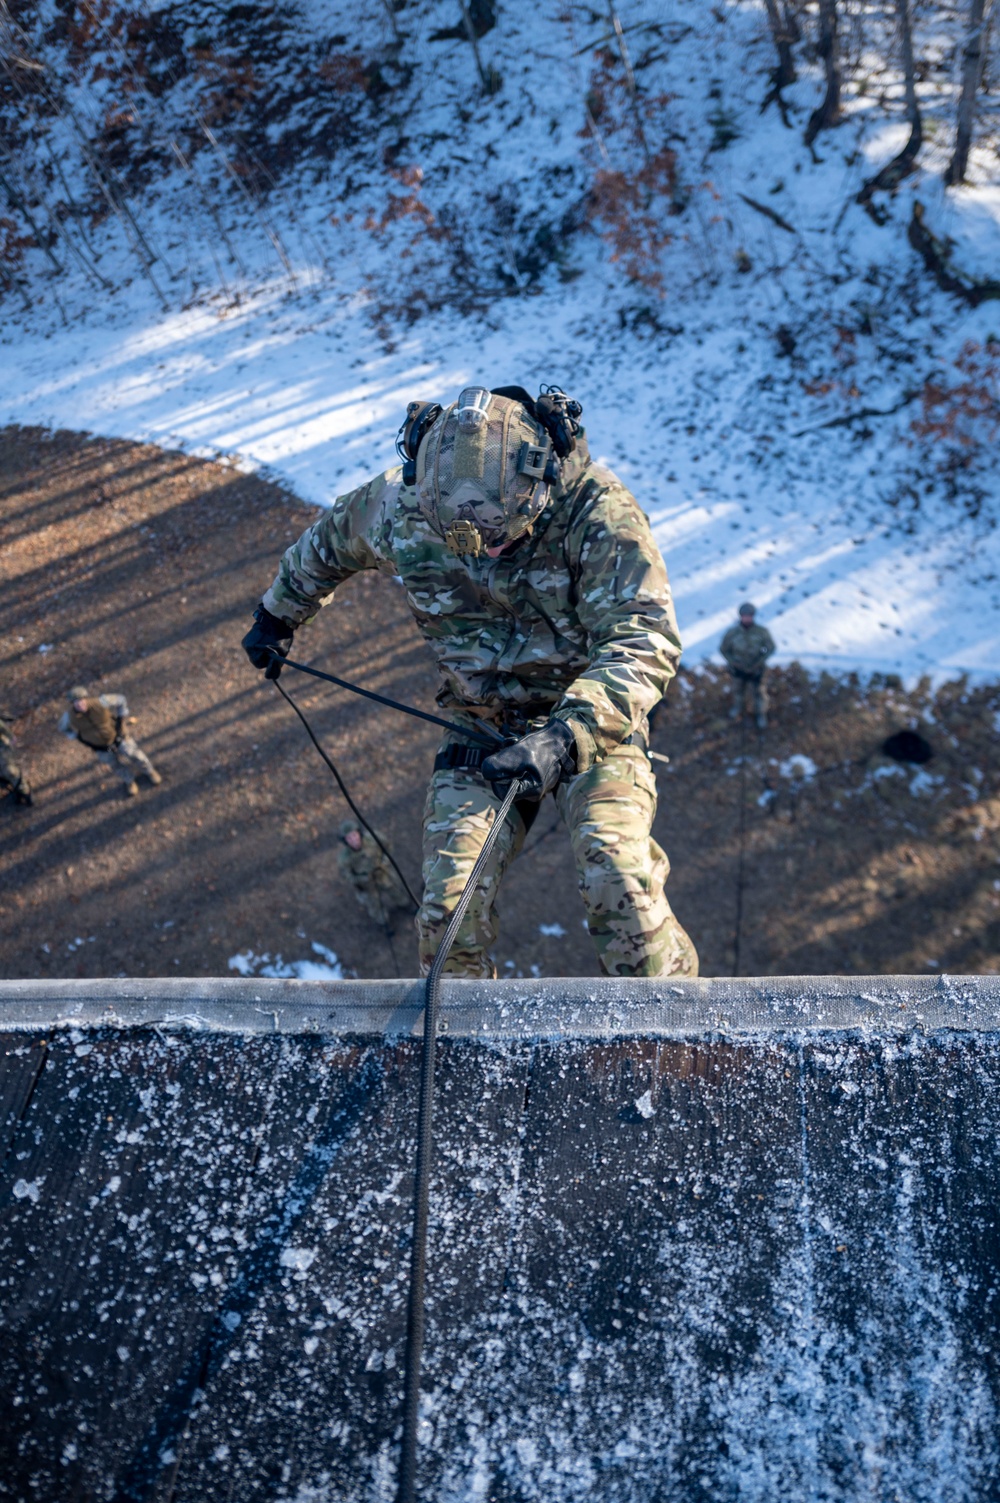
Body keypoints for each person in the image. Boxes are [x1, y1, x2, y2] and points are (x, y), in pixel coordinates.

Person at [243, 384, 698, 980]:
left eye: (505, 536)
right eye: (474, 542)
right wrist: (279, 614)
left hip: (589, 723)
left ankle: (681, 1038)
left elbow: (645, 637)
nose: (490, 551)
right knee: (446, 917)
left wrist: (566, 736)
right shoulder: (403, 506)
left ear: (539, 488)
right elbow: (330, 541)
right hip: (480, 722)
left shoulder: (596, 511)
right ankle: (466, 1055)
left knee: (620, 887)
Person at [59, 686, 161, 798]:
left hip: (118, 738)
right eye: (76, 702)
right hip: (101, 747)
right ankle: (129, 780)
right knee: (114, 764)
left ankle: (149, 771)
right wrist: (77, 736)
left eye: (82, 700)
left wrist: (121, 719)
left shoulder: (101, 702)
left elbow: (121, 699)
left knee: (134, 754)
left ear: (86, 698)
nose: (80, 704)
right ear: (72, 704)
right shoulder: (69, 717)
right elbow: (62, 728)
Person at [337, 818, 412, 926]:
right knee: (374, 906)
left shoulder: (373, 838)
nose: (353, 840)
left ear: (359, 833)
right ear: (345, 841)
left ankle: (405, 905)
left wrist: (384, 862)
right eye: (349, 838)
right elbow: (346, 876)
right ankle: (384, 922)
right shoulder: (344, 858)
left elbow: (388, 847)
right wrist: (361, 878)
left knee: (396, 890)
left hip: (383, 874)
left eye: (354, 835)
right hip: (367, 885)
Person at [720, 602, 775, 729]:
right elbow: (724, 649)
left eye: (749, 615)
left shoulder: (762, 632)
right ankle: (738, 709)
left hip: (756, 668)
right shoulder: (732, 633)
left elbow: (771, 647)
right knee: (738, 691)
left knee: (759, 692)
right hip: (738, 668)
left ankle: (761, 714)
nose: (747, 618)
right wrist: (733, 662)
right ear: (740, 616)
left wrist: (760, 661)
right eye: (745, 615)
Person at [0, 711, 33, 806]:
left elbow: (3, 729)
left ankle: (24, 791)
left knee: (11, 771)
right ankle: (14, 791)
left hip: (2, 748)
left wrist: (11, 737)